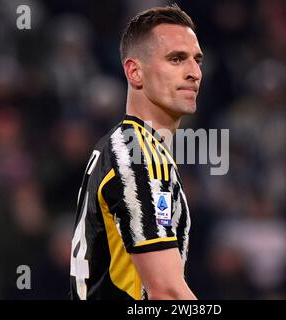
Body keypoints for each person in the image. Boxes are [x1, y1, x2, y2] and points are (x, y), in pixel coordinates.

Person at [70, 4, 203, 300]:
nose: (194, 72)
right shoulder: (138, 155)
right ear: (135, 72)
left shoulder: (123, 145)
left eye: (197, 60)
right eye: (176, 59)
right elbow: (167, 292)